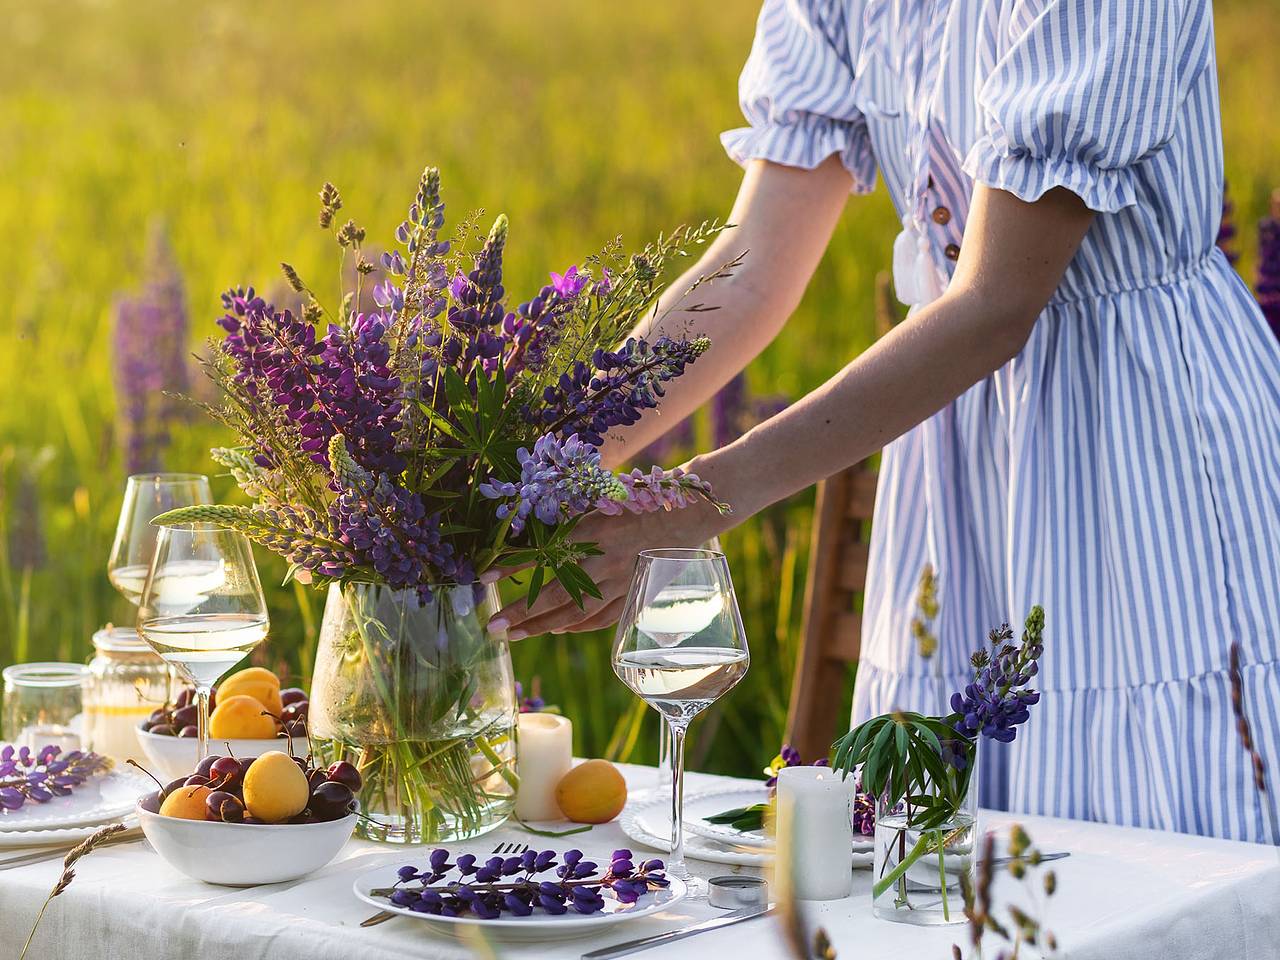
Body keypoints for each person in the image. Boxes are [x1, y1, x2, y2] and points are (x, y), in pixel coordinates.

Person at [492, 0, 1280, 842]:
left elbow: (995, 304)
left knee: (1163, 852)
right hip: (950, 462)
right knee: (933, 872)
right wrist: (533, 470)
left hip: (1138, 448)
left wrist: (687, 505)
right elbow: (754, 263)